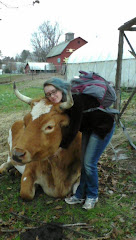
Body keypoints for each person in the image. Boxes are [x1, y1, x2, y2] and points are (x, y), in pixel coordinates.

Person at [43, 77, 115, 210]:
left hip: (102, 128)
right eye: (48, 94)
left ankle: (93, 195)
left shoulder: (74, 100)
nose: (52, 96)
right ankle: (80, 195)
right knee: (84, 163)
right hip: (89, 128)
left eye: (54, 92)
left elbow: (73, 130)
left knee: (89, 163)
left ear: (61, 89)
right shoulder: (63, 103)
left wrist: (60, 147)